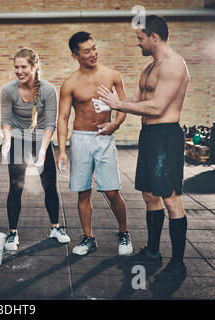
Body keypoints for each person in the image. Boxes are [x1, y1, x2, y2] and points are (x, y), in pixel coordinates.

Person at [97, 15, 190, 281]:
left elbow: (158, 106)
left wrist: (118, 105)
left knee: (171, 198)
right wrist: (109, 108)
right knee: (149, 195)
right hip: (149, 135)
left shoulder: (174, 66)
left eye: (140, 39)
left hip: (166, 137)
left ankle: (178, 262)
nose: (138, 44)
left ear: (154, 37)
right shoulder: (149, 68)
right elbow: (134, 100)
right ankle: (152, 252)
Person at [56, 31, 133, 257]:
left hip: (104, 137)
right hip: (80, 138)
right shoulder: (70, 83)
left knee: (111, 191)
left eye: (94, 48)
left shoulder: (113, 75)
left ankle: (124, 232)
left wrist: (115, 126)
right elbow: (63, 118)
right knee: (83, 192)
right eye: (87, 51)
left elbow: (123, 106)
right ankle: (88, 238)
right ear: (75, 56)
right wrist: (61, 150)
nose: (93, 54)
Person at [1, 47, 70, 251]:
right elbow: (5, 120)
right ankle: (12, 233)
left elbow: (50, 123)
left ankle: (55, 227)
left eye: (24, 67)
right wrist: (6, 141)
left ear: (34, 66)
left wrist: (42, 151)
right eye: (16, 67)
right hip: (17, 139)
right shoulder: (8, 90)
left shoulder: (48, 90)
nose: (19, 71)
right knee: (16, 186)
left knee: (49, 184)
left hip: (41, 139)